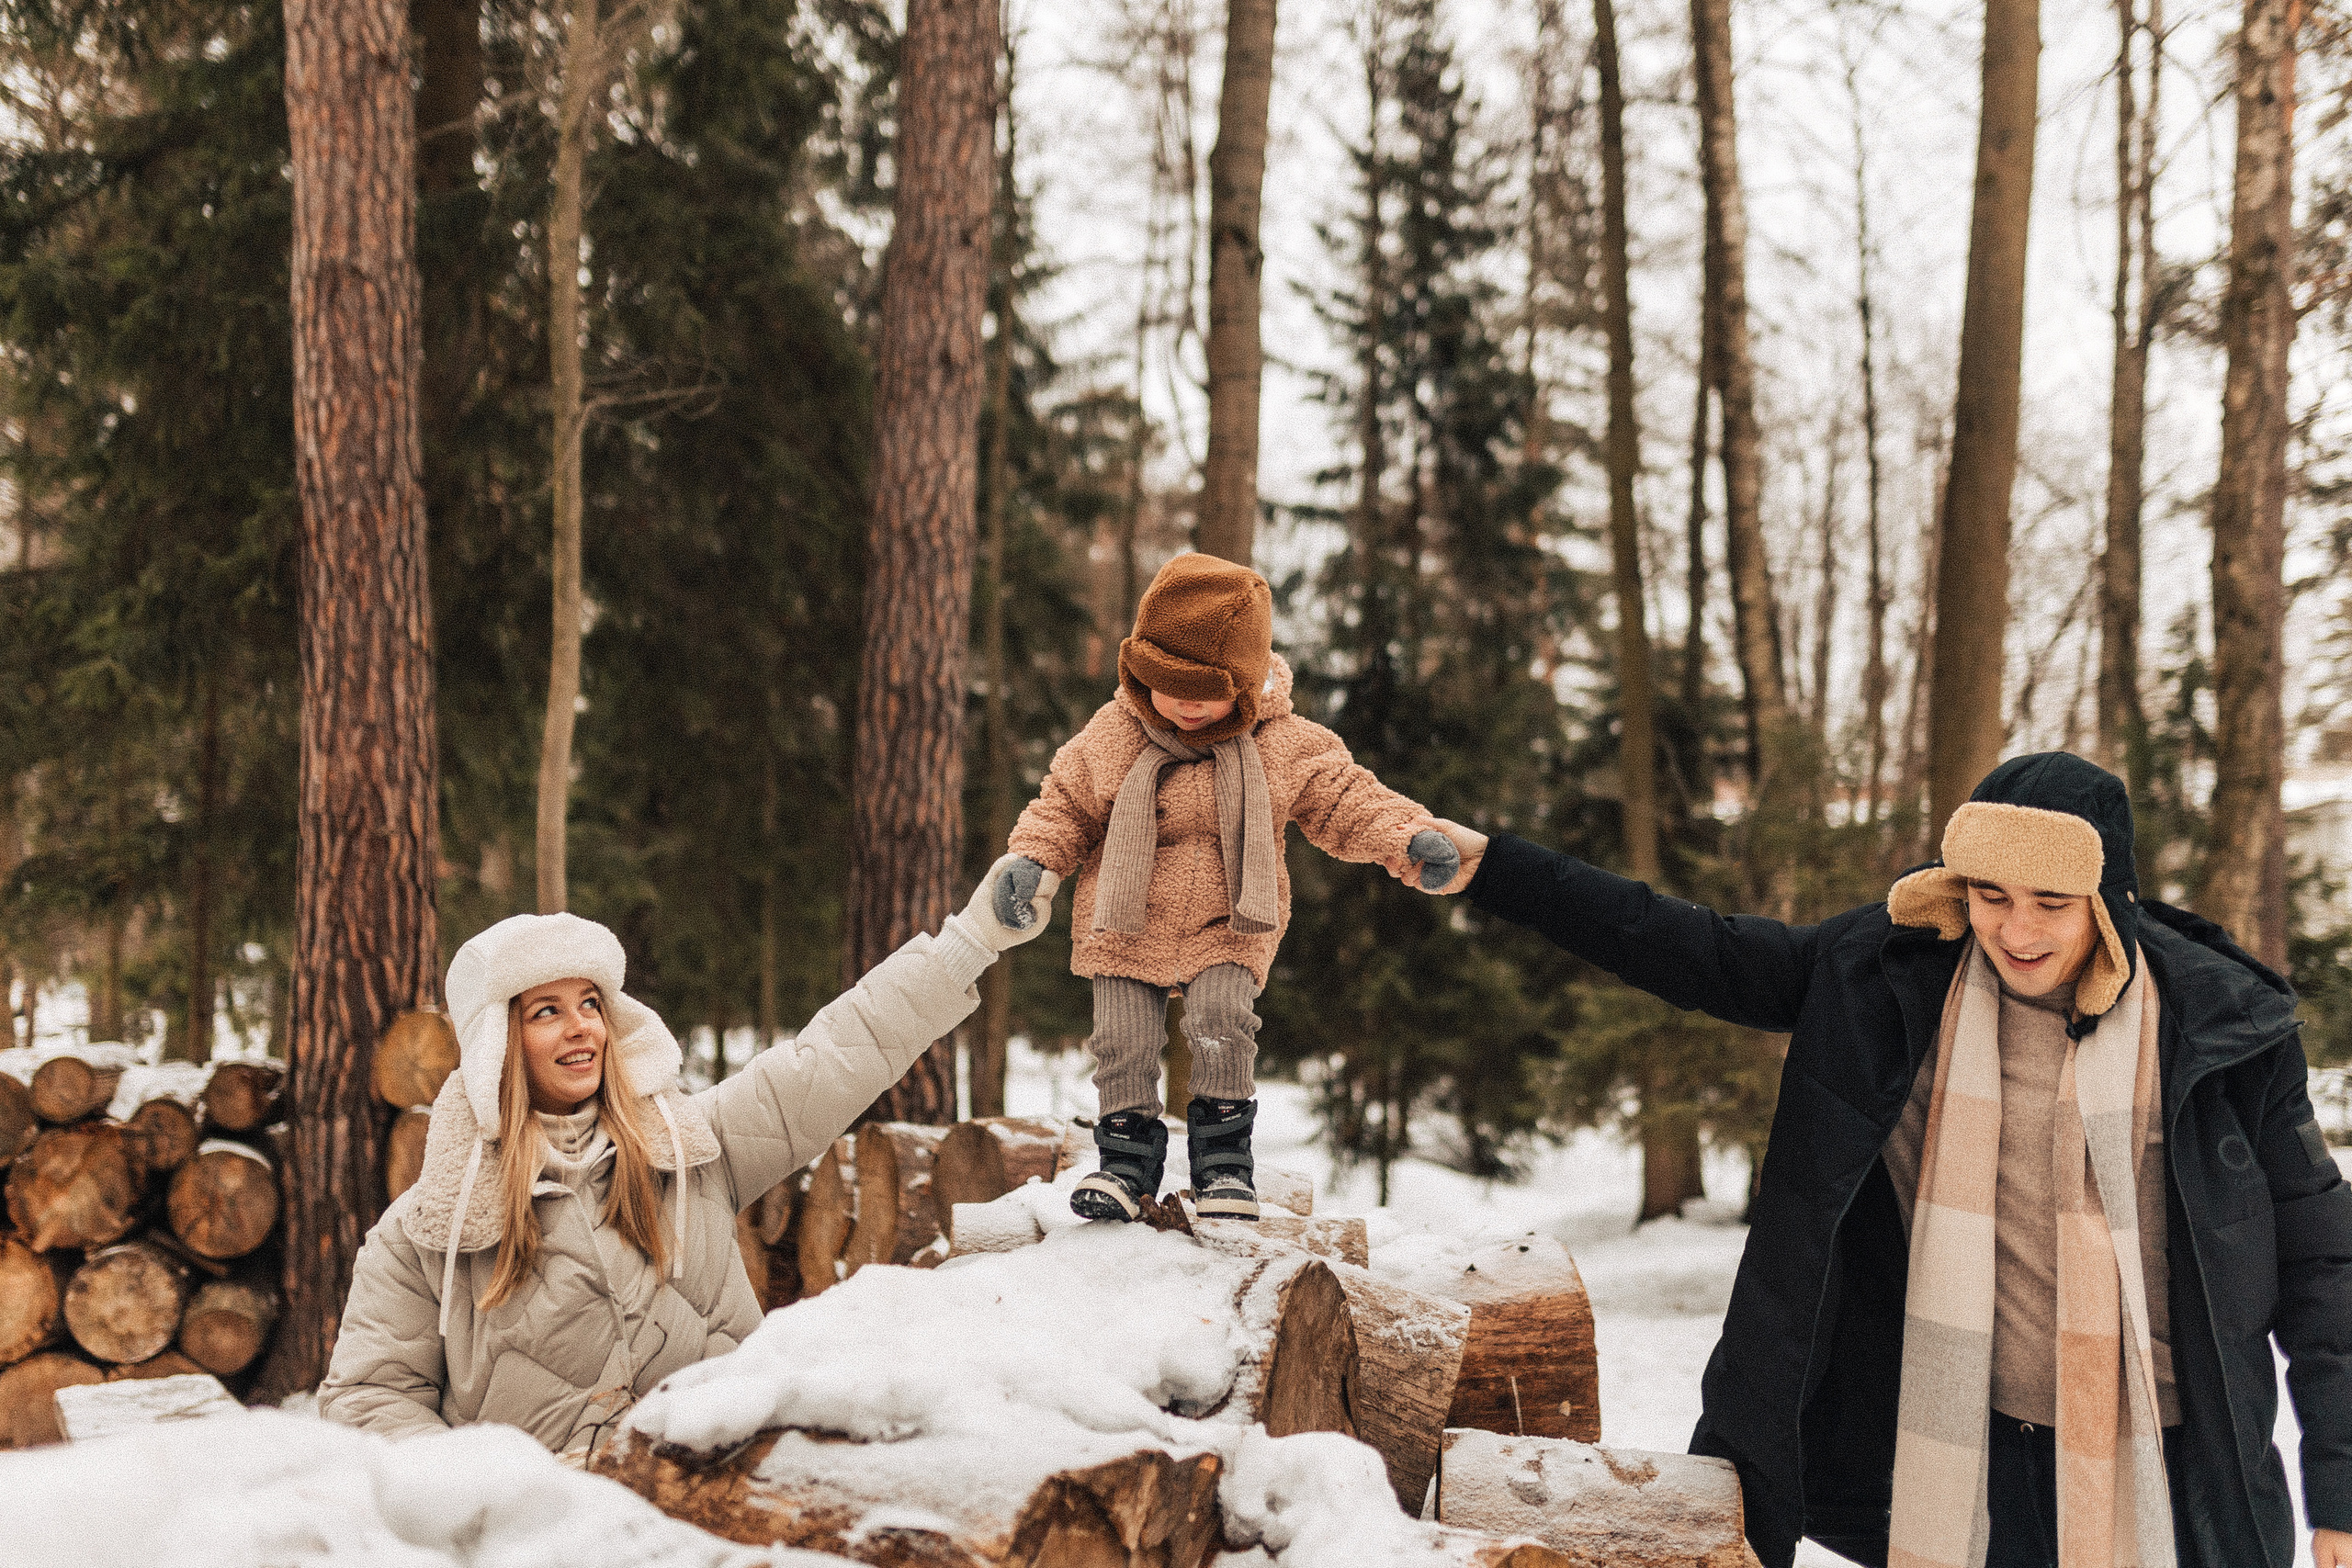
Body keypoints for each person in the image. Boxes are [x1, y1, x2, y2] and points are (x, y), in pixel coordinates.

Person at [1426, 752, 2352, 1568]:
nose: (2016, 932)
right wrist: (1496, 868)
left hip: (2174, 1467)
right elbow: (1690, 945)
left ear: (2108, 900)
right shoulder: (1888, 979)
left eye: (2049, 904)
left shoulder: (2224, 1030)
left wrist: (2342, 1485)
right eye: (1990, 896)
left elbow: (2323, 1264)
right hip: (1969, 1457)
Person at [317, 855, 1060, 1458]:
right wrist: (492, 1499)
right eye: (546, 1010)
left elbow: (832, 1057)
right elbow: (368, 1399)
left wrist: (972, 938)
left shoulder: (691, 1146)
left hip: (722, 1517)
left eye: (590, 1003)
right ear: (496, 1048)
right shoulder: (428, 1232)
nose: (581, 1028)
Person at [993, 552, 1460, 1222]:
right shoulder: (1116, 731)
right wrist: (1033, 860)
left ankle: (1222, 1165)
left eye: (1205, 688)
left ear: (1245, 683)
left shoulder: (1283, 742)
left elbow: (1346, 800)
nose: (1183, 701)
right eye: (1166, 680)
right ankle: (1125, 1164)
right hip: (1125, 917)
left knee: (1221, 1025)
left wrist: (1408, 836)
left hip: (1230, 918)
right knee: (1121, 1039)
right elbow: (1064, 802)